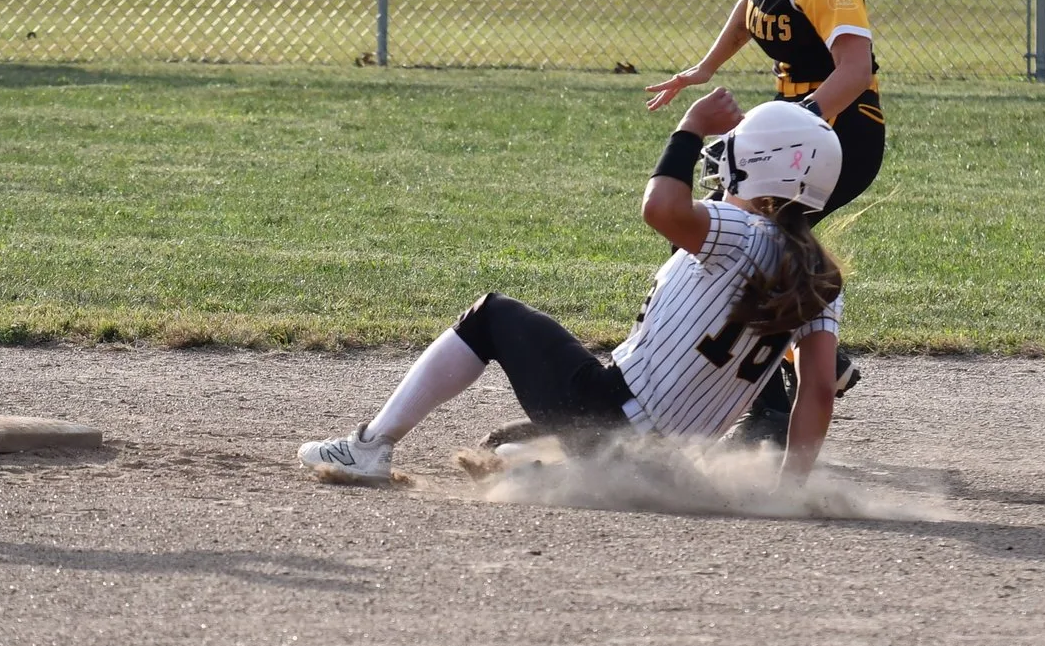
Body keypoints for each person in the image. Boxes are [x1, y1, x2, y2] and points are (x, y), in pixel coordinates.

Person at [298, 94, 847, 485]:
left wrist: (687, 129)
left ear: (763, 167)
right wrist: (792, 490)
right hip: (669, 462)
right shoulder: (822, 274)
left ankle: (368, 447)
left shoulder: (738, 232)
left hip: (610, 414)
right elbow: (818, 392)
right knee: (507, 443)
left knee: (491, 315)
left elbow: (660, 207)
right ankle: (549, 469)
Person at [642, 0, 882, 438]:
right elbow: (754, 4)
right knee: (722, 247)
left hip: (840, 131)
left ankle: (777, 402)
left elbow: (854, 71)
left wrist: (796, 126)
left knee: (732, 250)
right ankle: (809, 367)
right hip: (794, 124)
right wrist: (707, 66)